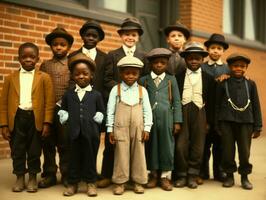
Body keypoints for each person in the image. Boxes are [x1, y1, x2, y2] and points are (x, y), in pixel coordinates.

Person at [99, 17, 149, 188]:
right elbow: (106, 79)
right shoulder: (112, 55)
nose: (130, 37)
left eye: (133, 35)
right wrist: (122, 89)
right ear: (121, 36)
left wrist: (134, 90)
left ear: (138, 37)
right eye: (126, 34)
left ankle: (137, 178)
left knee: (136, 147)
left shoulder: (143, 56)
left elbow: (145, 80)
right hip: (118, 103)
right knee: (113, 144)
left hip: (137, 104)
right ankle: (108, 175)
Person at [0, 42, 55, 193]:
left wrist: (47, 123)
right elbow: (3, 102)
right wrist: (4, 124)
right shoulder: (11, 78)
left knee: (34, 150)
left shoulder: (44, 77)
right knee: (17, 150)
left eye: (32, 57)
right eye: (24, 57)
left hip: (35, 118)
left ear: (37, 59)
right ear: (19, 59)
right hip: (17, 118)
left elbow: (49, 103)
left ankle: (32, 177)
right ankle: (19, 177)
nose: (28, 60)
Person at [58, 53, 105, 196]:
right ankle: (73, 183)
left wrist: (98, 122)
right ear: (72, 76)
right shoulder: (68, 94)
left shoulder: (96, 95)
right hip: (73, 133)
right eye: (77, 74)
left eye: (85, 73)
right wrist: (64, 117)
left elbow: (101, 112)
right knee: (73, 158)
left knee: (90, 158)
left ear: (91, 76)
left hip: (91, 133)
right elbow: (63, 110)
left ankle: (91, 183)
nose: (81, 76)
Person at [106, 56, 153, 195]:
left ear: (139, 74)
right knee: (121, 153)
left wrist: (147, 128)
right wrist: (110, 129)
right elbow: (110, 110)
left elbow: (147, 111)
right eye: (127, 73)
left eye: (134, 73)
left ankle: (138, 181)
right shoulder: (116, 89)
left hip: (138, 127)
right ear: (121, 73)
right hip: (120, 127)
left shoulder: (142, 91)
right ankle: (121, 182)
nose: (130, 76)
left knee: (139, 152)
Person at [215, 53, 262, 190]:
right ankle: (229, 175)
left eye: (242, 66)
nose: (238, 69)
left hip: (246, 122)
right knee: (228, 151)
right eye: (235, 66)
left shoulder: (250, 84)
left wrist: (258, 126)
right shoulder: (223, 83)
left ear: (246, 68)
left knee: (244, 151)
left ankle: (244, 177)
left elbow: (256, 105)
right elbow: (217, 105)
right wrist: (217, 124)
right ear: (229, 67)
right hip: (226, 122)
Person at [139, 48, 182, 191]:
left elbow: (176, 101)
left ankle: (164, 176)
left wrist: (177, 121)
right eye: (156, 63)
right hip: (149, 120)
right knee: (151, 146)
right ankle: (153, 174)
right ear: (150, 64)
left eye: (162, 63)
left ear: (166, 64)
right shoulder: (144, 80)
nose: (159, 65)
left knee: (166, 147)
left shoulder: (171, 80)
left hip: (166, 119)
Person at [174, 42, 215, 189]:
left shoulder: (209, 78)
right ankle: (182, 175)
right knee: (180, 146)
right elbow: (174, 99)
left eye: (197, 58)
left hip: (200, 112)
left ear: (202, 60)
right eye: (190, 58)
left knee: (198, 146)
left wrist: (208, 121)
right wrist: (176, 120)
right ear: (185, 59)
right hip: (183, 111)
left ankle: (192, 175)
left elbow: (211, 102)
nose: (193, 61)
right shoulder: (178, 76)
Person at [39, 27, 74, 188]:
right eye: (55, 44)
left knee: (65, 144)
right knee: (47, 142)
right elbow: (39, 87)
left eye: (62, 44)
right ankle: (49, 173)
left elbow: (74, 86)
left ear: (68, 47)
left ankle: (66, 174)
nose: (59, 47)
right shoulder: (45, 65)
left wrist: (63, 103)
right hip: (47, 110)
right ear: (51, 46)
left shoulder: (72, 64)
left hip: (65, 110)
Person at [199, 33, 230, 183]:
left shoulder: (228, 69)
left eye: (219, 48)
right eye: (212, 48)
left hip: (222, 113)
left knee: (220, 145)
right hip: (205, 110)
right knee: (204, 145)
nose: (215, 51)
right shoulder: (202, 67)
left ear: (223, 51)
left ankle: (219, 172)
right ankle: (203, 171)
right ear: (208, 49)